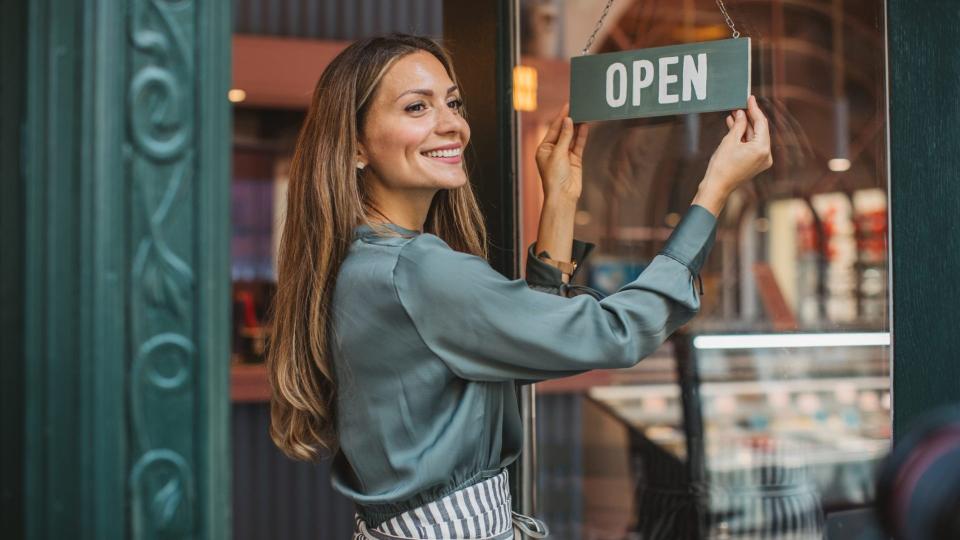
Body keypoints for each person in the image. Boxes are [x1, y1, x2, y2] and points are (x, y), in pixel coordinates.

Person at [267, 34, 772, 540]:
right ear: (355, 144)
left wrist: (559, 199)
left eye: (453, 102)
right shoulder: (418, 270)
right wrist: (714, 191)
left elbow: (530, 337)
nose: (452, 124)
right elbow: (616, 333)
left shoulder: (363, 261)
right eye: (417, 107)